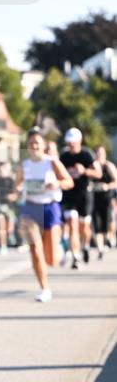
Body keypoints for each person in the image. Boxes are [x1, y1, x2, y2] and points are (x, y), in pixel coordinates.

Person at [16, 128, 73, 301]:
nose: (34, 146)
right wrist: (19, 189)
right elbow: (17, 186)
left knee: (51, 258)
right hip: (31, 208)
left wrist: (56, 183)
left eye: (37, 143)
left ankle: (61, 250)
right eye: (31, 143)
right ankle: (44, 288)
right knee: (35, 250)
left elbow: (69, 182)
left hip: (50, 208)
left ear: (43, 145)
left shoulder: (52, 162)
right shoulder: (23, 166)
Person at [59, 128, 101, 267]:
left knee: (84, 226)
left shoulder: (86, 155)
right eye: (69, 142)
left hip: (84, 195)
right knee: (72, 224)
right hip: (69, 195)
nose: (71, 144)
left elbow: (98, 173)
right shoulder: (64, 157)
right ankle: (75, 256)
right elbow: (57, 173)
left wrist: (84, 170)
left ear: (79, 141)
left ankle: (86, 245)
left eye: (73, 142)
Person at [91, 146, 117, 259]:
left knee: (107, 222)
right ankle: (100, 249)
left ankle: (109, 238)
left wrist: (107, 186)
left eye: (100, 152)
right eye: (96, 152)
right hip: (94, 199)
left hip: (107, 198)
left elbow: (116, 181)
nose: (98, 155)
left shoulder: (109, 166)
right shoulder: (91, 166)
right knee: (96, 224)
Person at [0, 161, 18, 255]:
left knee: (9, 229)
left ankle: (10, 234)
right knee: (1, 226)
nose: (1, 170)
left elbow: (16, 194)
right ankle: (3, 246)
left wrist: (11, 197)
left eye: (3, 168)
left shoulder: (11, 181)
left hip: (9, 207)